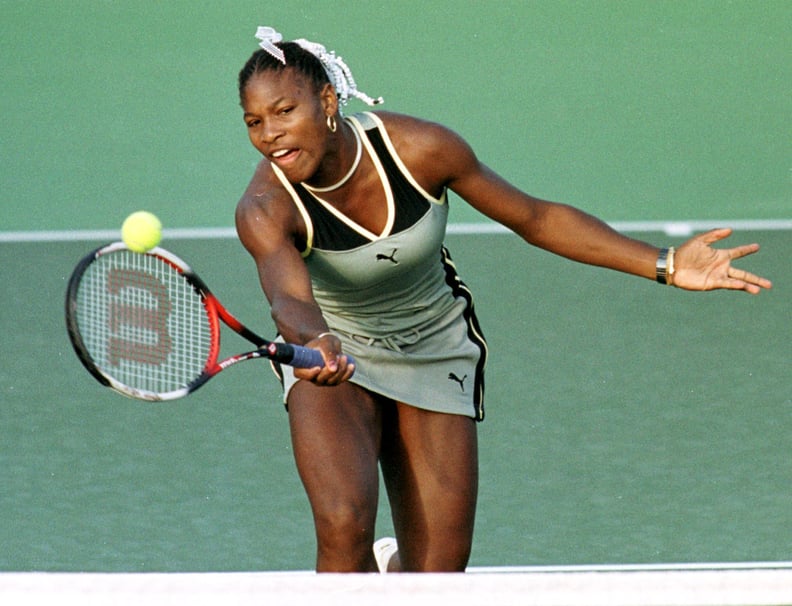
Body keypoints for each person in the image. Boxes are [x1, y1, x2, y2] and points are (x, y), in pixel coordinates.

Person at [234, 26, 772, 573]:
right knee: (343, 526)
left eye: (283, 111)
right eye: (255, 122)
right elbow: (287, 297)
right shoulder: (264, 205)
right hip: (334, 351)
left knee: (438, 573)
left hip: (432, 346)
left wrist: (666, 263)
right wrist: (315, 340)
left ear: (327, 100)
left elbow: (534, 218)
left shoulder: (421, 150)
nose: (270, 134)